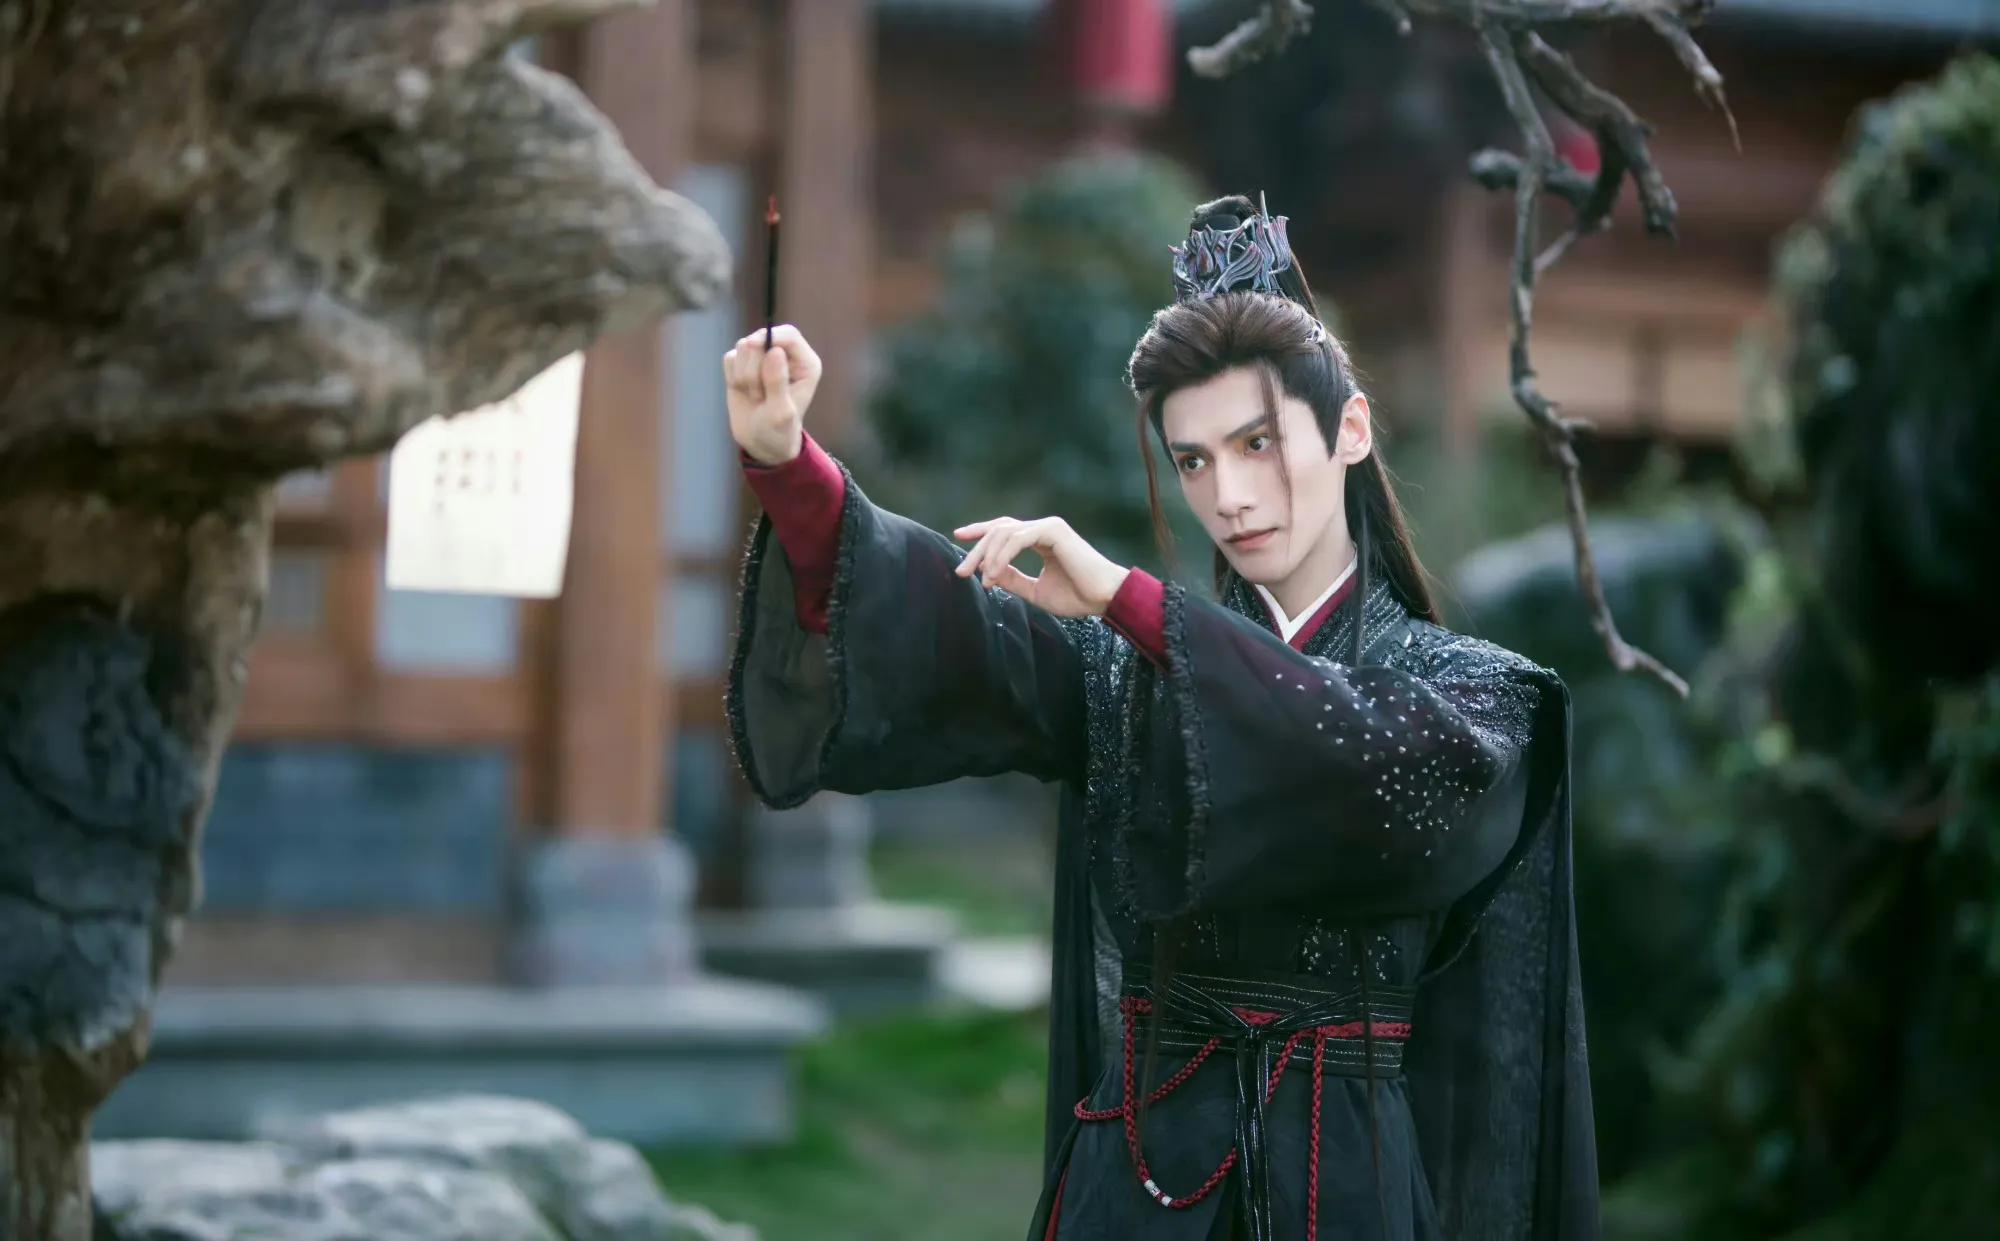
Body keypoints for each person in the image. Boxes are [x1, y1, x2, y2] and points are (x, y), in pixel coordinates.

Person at [721, 195, 1598, 1241]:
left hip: (1346, 1190)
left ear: (1351, 430)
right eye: (1192, 460)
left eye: (1257, 442)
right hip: (1133, 1185)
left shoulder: (1475, 695)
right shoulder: (1126, 670)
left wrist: (1130, 602)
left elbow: (1363, 758)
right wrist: (790, 467)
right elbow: (949, 633)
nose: (1228, 495)